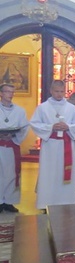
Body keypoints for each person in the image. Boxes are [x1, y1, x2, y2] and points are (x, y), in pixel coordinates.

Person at [30, 79, 75, 209]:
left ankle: (66, 200)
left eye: (62, 91)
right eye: (56, 91)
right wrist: (51, 127)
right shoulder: (43, 107)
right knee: (49, 173)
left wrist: (68, 126)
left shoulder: (72, 108)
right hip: (50, 145)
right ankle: (46, 202)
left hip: (66, 143)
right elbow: (35, 123)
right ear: (51, 91)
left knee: (64, 172)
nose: (59, 94)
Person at [0, 84, 29, 213]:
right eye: (7, 91)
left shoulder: (20, 111)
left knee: (12, 174)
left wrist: (13, 136)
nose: (10, 94)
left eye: (12, 92)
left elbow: (24, 127)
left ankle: (9, 202)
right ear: (1, 93)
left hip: (11, 145)